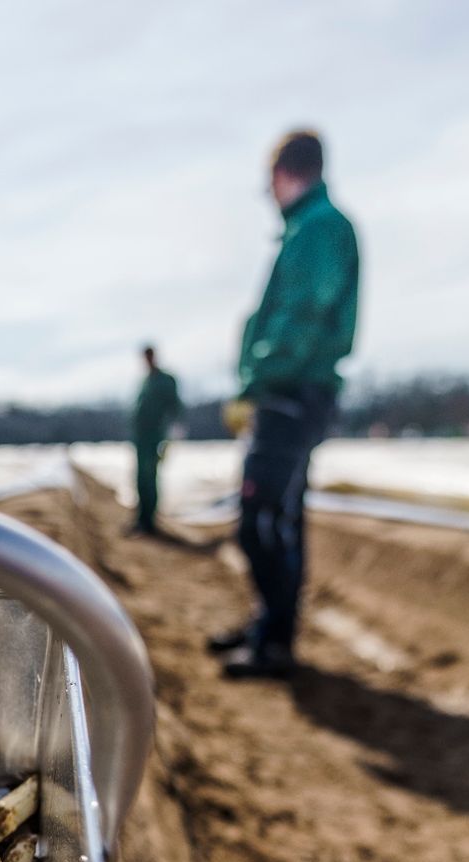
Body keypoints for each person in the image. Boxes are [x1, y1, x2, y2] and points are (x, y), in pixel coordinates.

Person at [211, 129, 360, 680]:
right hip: (291, 392)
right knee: (278, 519)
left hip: (291, 395)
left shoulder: (318, 229)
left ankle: (274, 642)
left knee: (261, 520)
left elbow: (300, 319)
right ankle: (268, 629)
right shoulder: (309, 229)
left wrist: (256, 380)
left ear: (282, 175)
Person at [128, 344, 182, 536]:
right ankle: (141, 519)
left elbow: (175, 406)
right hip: (140, 437)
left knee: (150, 476)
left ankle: (149, 521)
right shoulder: (146, 381)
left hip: (155, 436)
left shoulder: (164, 381)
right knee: (141, 477)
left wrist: (174, 429)